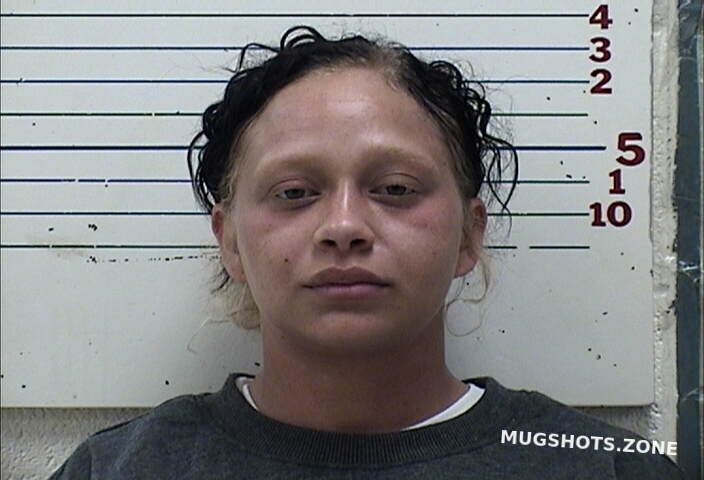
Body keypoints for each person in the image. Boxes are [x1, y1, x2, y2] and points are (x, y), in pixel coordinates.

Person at [50, 26, 684, 479]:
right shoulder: (119, 469)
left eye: (396, 189)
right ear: (230, 242)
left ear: (469, 235)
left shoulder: (605, 469)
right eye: (294, 192)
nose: (344, 226)